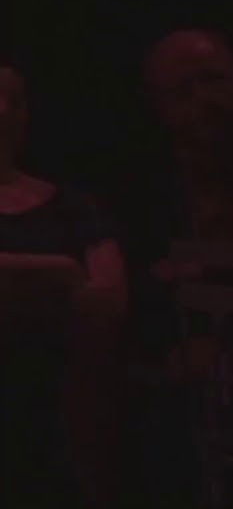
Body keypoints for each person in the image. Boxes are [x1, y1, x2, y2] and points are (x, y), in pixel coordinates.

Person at [0, 61, 128, 507]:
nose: (1, 110)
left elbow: (109, 302)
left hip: (57, 402)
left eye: (13, 100)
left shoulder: (71, 207)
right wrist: (62, 273)